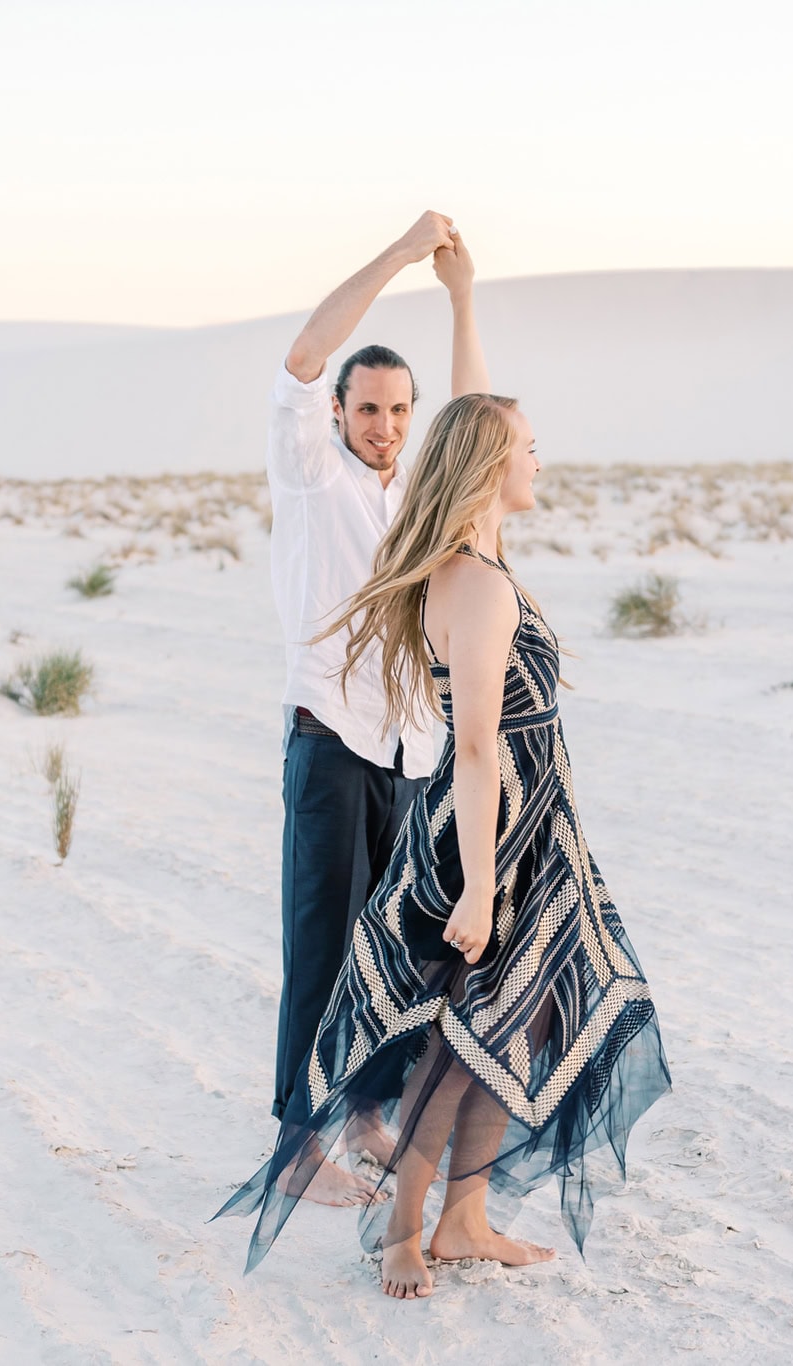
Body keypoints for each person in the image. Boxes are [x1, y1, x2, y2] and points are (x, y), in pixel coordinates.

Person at [219, 391, 672, 1297]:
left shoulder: (486, 566)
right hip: (490, 835)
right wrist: (477, 885)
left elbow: (476, 403)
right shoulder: (475, 582)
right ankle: (404, 1232)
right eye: (527, 447)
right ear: (490, 465)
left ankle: (463, 1221)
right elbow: (472, 745)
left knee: (519, 1021)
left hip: (533, 827)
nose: (538, 460)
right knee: (460, 1042)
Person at [265, 211, 491, 1206]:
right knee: (319, 950)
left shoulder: (416, 495)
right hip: (330, 742)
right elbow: (303, 355)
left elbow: (476, 423)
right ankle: (292, 1148)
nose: (385, 426)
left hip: (408, 750)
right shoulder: (312, 473)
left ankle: (360, 1111)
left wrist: (461, 297)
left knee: (388, 951)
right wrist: (402, 255)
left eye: (399, 410)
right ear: (340, 410)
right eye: (367, 409)